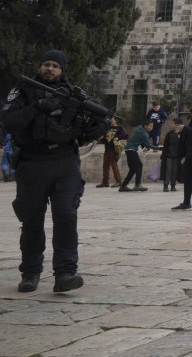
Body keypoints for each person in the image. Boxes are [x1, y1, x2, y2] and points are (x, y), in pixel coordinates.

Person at [1, 50, 107, 293]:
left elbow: (98, 120)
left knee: (66, 215)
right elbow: (8, 121)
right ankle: (30, 272)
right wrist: (37, 107)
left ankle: (65, 273)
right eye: (46, 64)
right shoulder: (22, 91)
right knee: (31, 220)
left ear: (62, 70)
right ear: (39, 67)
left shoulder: (74, 94)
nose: (50, 69)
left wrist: (90, 131)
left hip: (65, 162)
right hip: (32, 162)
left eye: (55, 66)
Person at [119, 119, 157, 192]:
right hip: (131, 150)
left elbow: (140, 140)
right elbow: (149, 144)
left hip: (129, 149)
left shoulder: (140, 128)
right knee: (139, 165)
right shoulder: (144, 133)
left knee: (133, 169)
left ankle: (123, 186)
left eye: (152, 126)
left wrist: (144, 146)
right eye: (150, 126)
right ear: (145, 126)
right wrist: (160, 148)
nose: (152, 128)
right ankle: (137, 185)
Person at [95, 117, 127, 188]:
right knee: (105, 166)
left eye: (112, 120)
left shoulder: (119, 128)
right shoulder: (107, 128)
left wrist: (118, 137)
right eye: (110, 120)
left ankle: (118, 181)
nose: (111, 121)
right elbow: (104, 139)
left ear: (116, 121)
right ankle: (105, 182)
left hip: (114, 149)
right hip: (107, 149)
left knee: (114, 165)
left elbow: (125, 135)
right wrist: (101, 138)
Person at [161, 117, 184, 192]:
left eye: (173, 123)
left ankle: (173, 185)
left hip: (178, 156)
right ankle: (166, 185)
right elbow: (165, 145)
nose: (172, 125)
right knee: (168, 170)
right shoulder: (169, 134)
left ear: (177, 125)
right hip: (169, 156)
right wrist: (163, 155)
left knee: (175, 170)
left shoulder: (183, 134)